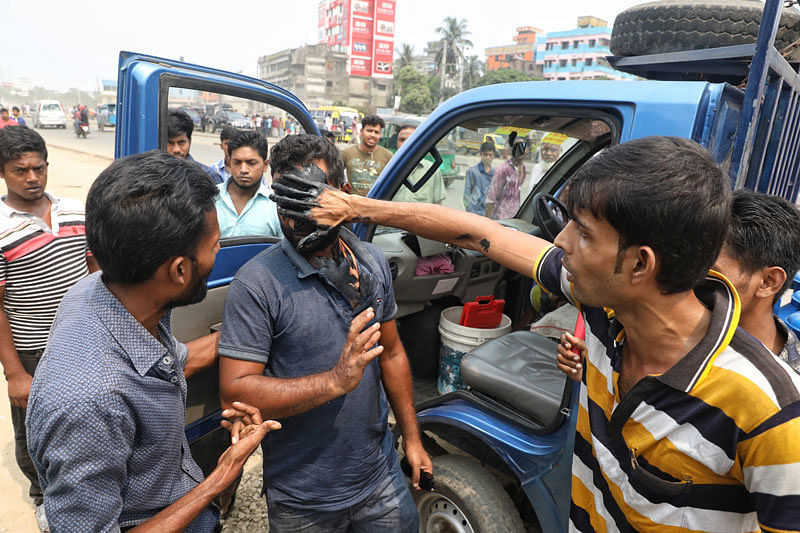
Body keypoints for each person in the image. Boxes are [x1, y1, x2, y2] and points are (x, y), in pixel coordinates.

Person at [270, 135, 800, 531]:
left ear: (640, 265)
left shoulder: (770, 411)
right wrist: (357, 207)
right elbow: (480, 233)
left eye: (583, 232)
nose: (561, 242)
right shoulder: (604, 309)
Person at [26, 150, 279, 531]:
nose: (218, 253)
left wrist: (247, 336)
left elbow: (164, 363)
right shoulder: (89, 403)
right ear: (178, 270)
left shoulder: (102, 291)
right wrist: (217, 480)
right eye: (214, 247)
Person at [219, 133, 429, 531]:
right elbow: (236, 390)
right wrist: (334, 381)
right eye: (286, 202)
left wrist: (412, 438)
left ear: (343, 195)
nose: (295, 219)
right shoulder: (256, 284)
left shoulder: (370, 262)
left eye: (309, 200)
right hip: (303, 499)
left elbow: (392, 353)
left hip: (380, 478)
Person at [558, 187, 800, 381]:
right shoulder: (647, 323)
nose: (686, 276)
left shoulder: (784, 401)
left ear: (769, 282)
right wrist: (602, 371)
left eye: (707, 269)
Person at [0, 126, 98, 531]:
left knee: (86, 420)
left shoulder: (75, 210)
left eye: (38, 168)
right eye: (20, 170)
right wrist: (15, 372)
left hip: (81, 343)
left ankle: (88, 487)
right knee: (34, 433)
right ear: (4, 172)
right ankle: (45, 497)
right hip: (32, 351)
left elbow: (96, 273)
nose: (32, 177)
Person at [214, 131, 281, 238]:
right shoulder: (210, 199)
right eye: (237, 162)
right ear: (230, 162)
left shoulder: (275, 207)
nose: (243, 170)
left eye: (251, 163)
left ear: (265, 165)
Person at [391, 124, 446, 204]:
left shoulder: (432, 171)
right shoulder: (389, 170)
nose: (405, 144)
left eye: (410, 139)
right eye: (402, 140)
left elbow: (437, 206)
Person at [341, 114, 393, 196]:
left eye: (376, 132)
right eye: (369, 131)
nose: (372, 135)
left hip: (376, 204)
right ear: (361, 131)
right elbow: (334, 175)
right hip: (352, 205)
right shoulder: (347, 153)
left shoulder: (387, 156)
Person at [166, 108, 217, 181]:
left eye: (181, 142)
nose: (176, 150)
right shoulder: (154, 175)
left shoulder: (208, 176)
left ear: (189, 141)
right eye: (170, 143)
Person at [485, 135, 528, 219]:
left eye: (523, 146)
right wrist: (486, 222)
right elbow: (491, 197)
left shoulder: (524, 169)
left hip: (515, 218)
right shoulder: (503, 169)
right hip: (501, 219)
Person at [462, 141, 495, 214]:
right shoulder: (472, 171)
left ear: (493, 156)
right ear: (481, 154)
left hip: (489, 215)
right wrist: (471, 212)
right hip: (474, 213)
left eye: (490, 155)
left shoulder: (495, 173)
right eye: (485, 155)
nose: (488, 157)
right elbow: (466, 195)